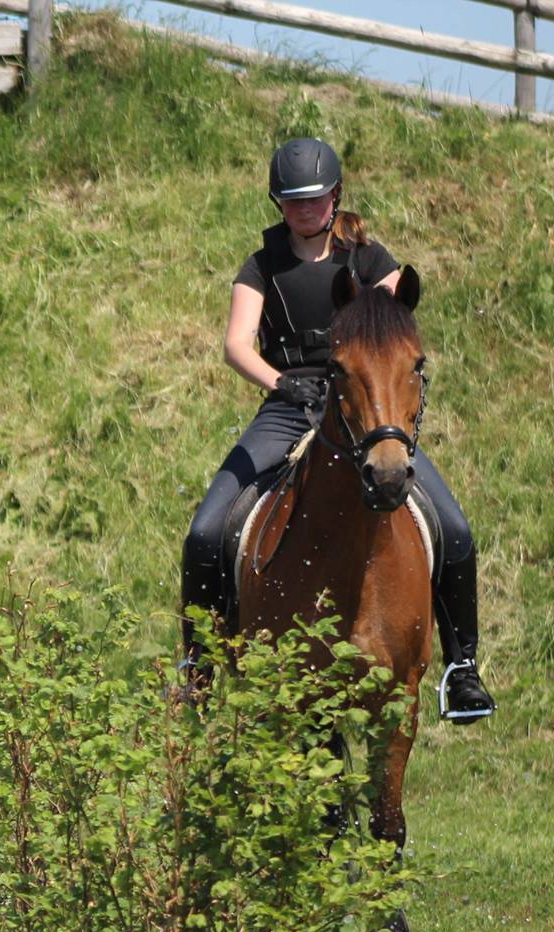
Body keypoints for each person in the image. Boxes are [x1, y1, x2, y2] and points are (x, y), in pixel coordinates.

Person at [180, 137, 494, 722]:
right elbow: (234, 344)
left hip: (364, 410)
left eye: (317, 199)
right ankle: (197, 666)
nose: (307, 210)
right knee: (204, 530)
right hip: (287, 403)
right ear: (278, 203)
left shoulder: (372, 261)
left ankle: (462, 669)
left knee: (454, 527)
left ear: (336, 196)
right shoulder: (261, 266)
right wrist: (279, 382)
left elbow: (388, 331)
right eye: (294, 201)